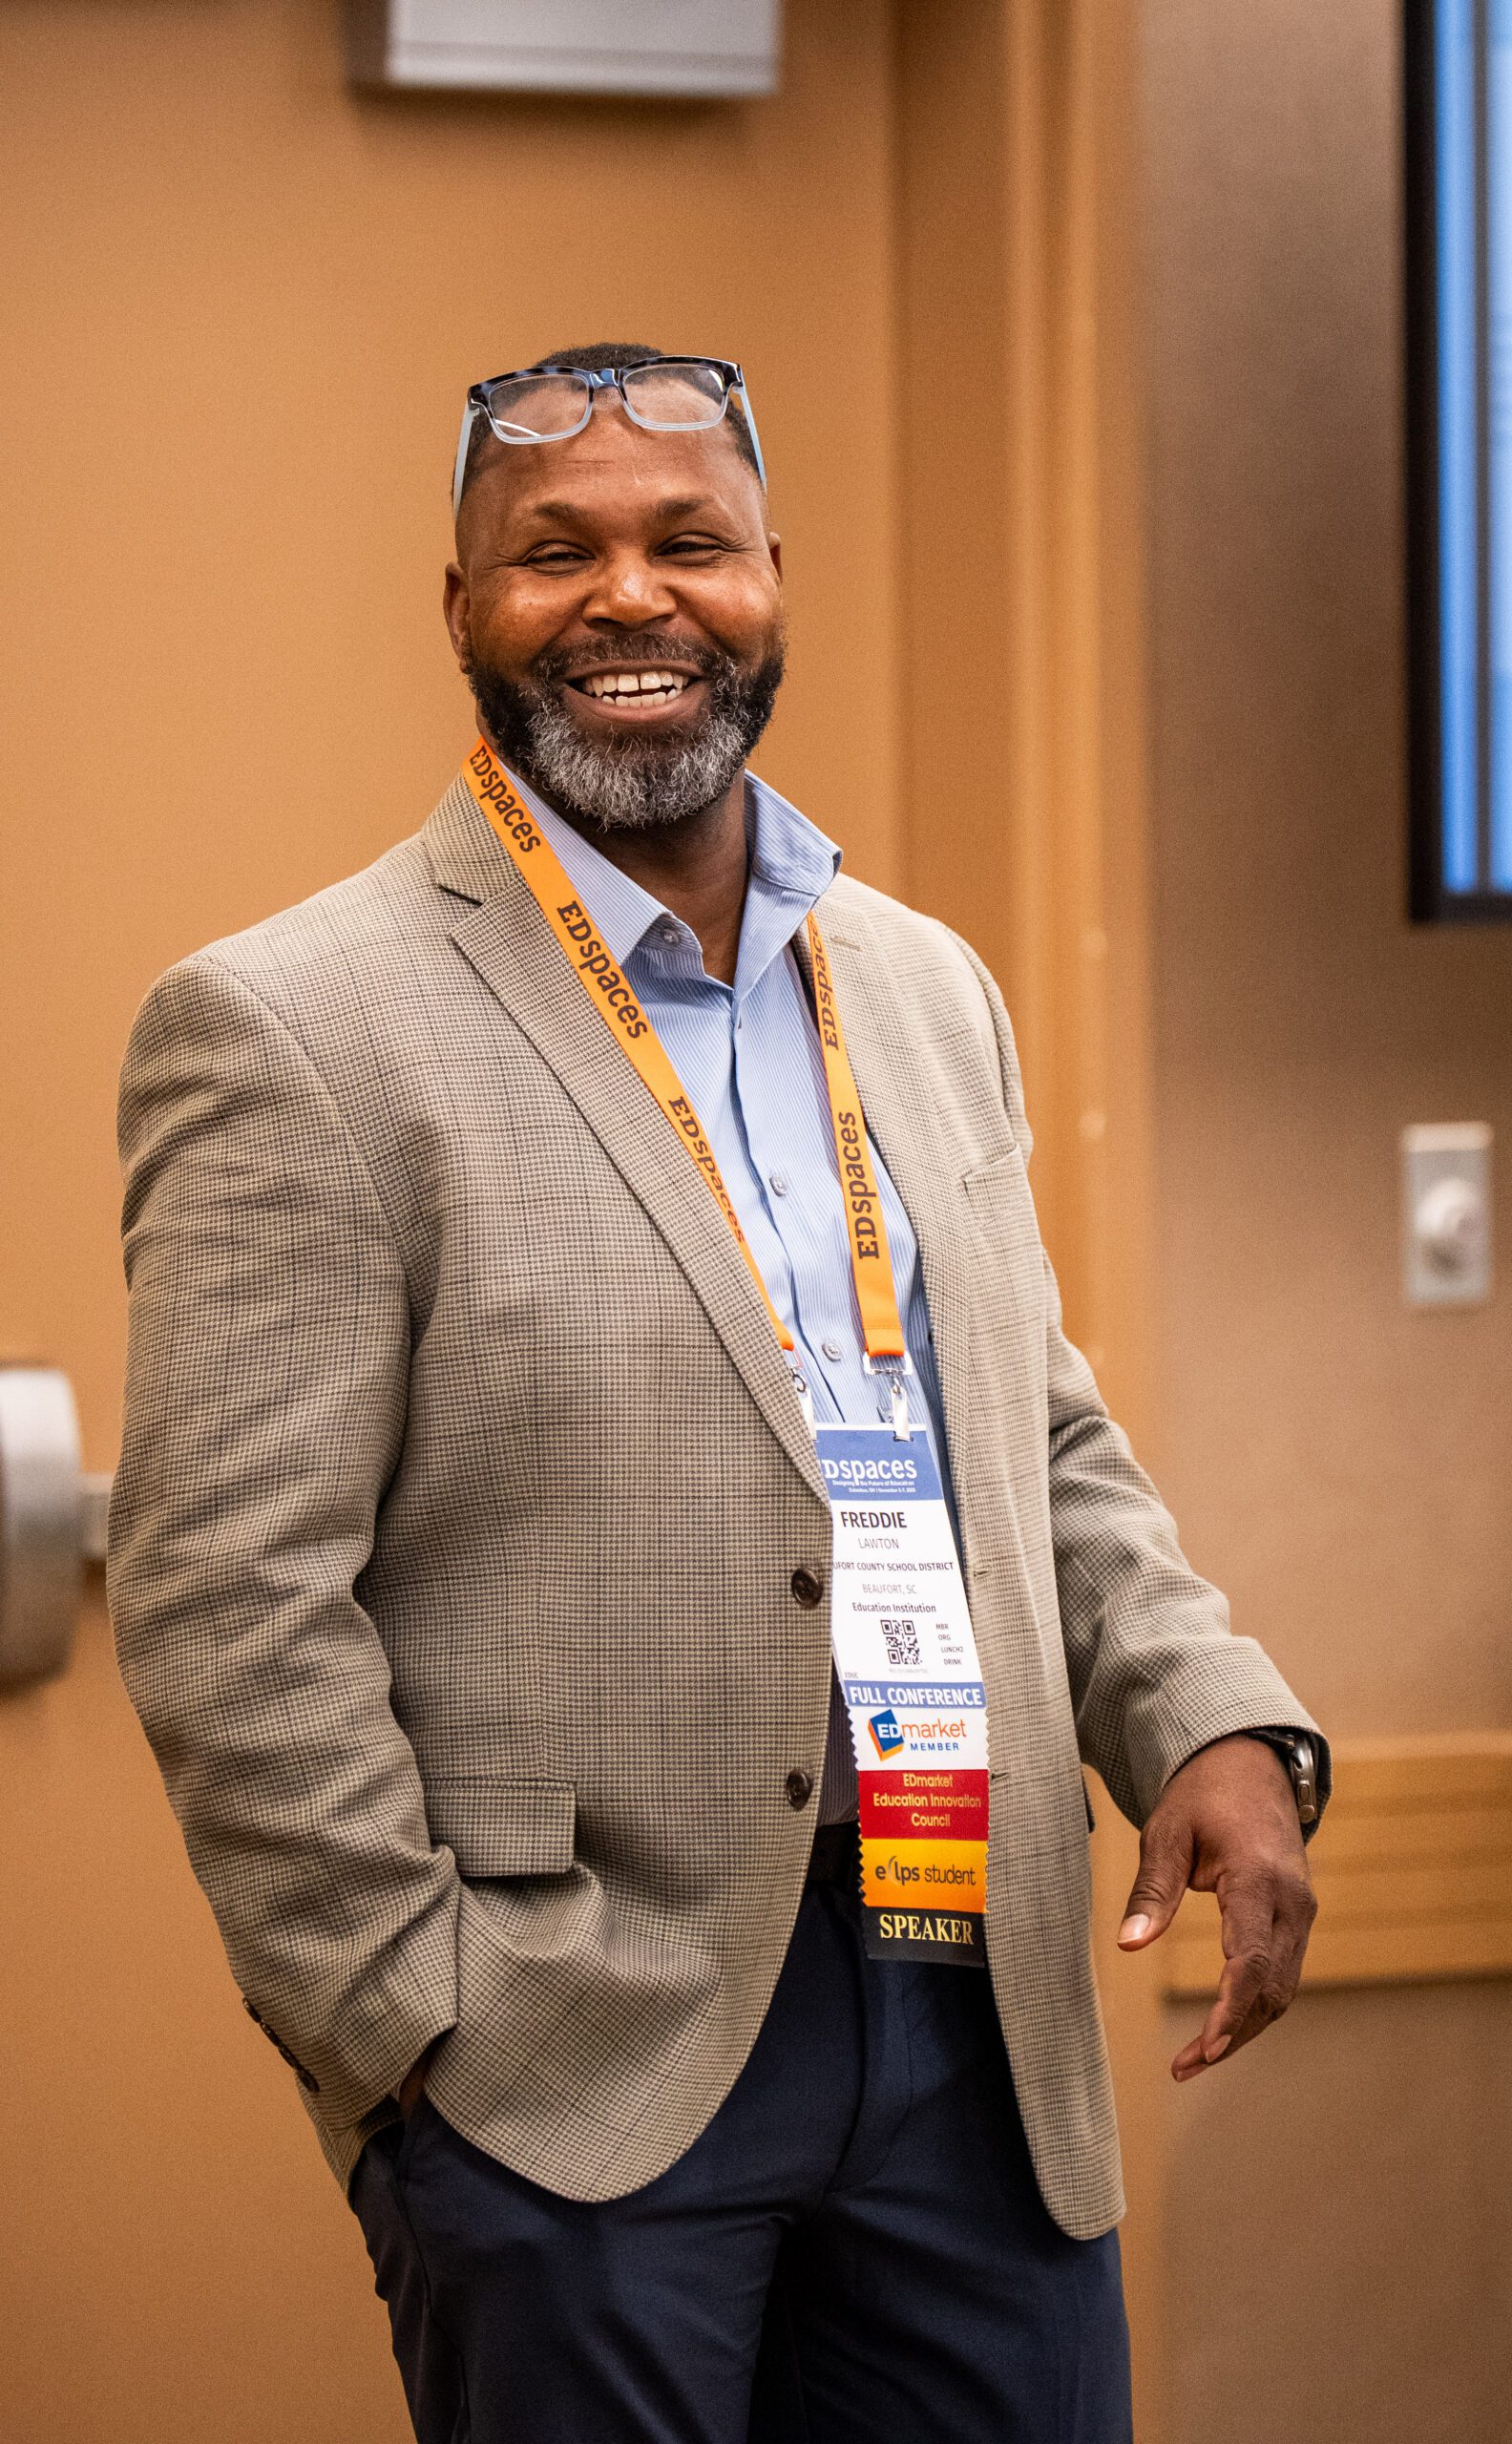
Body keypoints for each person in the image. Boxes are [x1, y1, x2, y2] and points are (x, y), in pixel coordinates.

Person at [109, 343, 1327, 2444]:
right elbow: (229, 1593)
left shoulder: (924, 987)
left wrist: (1202, 1708)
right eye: (553, 552)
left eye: (692, 541)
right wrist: (412, 2032)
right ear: (461, 606)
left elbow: (1029, 1432)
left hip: (975, 2000)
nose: (631, 597)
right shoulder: (296, 1023)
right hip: (574, 2052)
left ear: (774, 583)